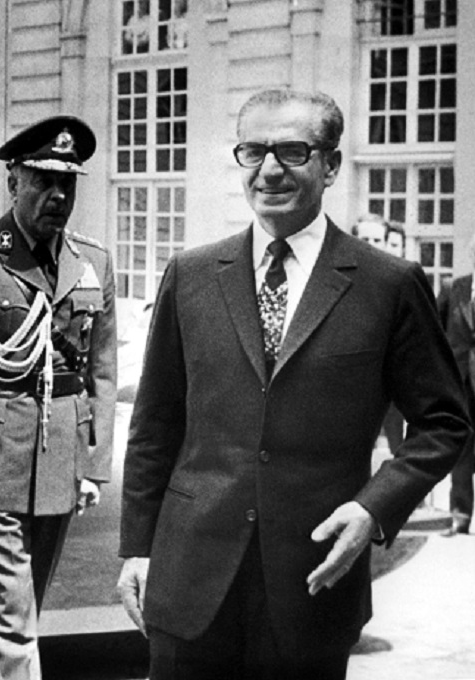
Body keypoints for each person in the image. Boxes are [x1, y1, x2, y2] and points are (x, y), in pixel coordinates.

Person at [116, 88, 470, 680]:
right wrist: (137, 547)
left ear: (330, 164)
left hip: (312, 581)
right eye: (253, 152)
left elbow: (444, 422)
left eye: (292, 151)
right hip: (188, 582)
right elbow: (155, 424)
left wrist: (371, 509)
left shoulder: (388, 283)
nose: (270, 170)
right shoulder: (193, 274)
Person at [0, 115, 117, 680]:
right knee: (11, 618)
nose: (57, 195)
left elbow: (103, 372)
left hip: (60, 457)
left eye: (68, 184)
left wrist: (93, 463)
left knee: (23, 607)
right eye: (42, 181)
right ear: (13, 182)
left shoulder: (93, 262)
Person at [352, 213, 406, 457]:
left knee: (401, 453)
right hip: (352, 386)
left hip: (395, 386)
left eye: (376, 240)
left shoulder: (402, 284)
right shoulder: (338, 281)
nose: (370, 246)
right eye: (364, 239)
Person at [438, 235, 475, 537]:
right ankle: (460, 517)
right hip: (460, 383)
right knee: (461, 452)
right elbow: (433, 332)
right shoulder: (455, 288)